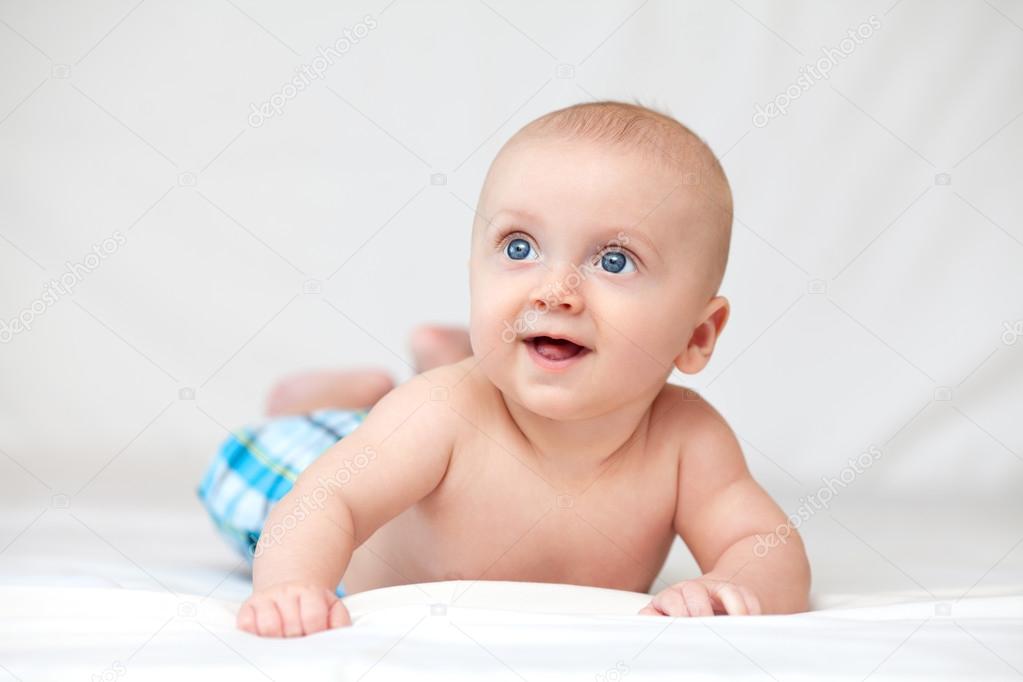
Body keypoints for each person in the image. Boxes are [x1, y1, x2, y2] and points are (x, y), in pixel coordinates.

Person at [198, 101, 811, 638]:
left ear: (697, 335)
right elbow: (324, 501)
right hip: (308, 476)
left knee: (388, 419)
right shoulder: (443, 411)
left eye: (616, 261)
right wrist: (292, 586)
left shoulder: (686, 441)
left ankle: (419, 363)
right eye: (519, 248)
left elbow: (764, 547)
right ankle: (317, 401)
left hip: (395, 433)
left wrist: (730, 587)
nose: (555, 291)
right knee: (273, 465)